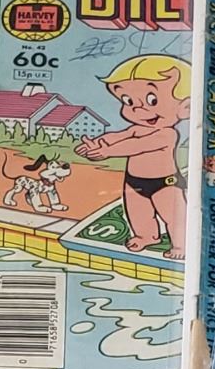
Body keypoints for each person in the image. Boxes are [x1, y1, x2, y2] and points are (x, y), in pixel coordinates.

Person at [75, 54, 191, 256]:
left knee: (173, 215)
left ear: (185, 107)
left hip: (165, 183)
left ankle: (180, 245)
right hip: (134, 181)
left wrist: (107, 152)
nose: (137, 108)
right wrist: (99, 143)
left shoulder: (167, 134)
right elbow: (118, 136)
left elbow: (139, 146)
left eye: (151, 100)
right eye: (128, 101)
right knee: (138, 212)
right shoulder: (136, 128)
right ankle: (146, 236)